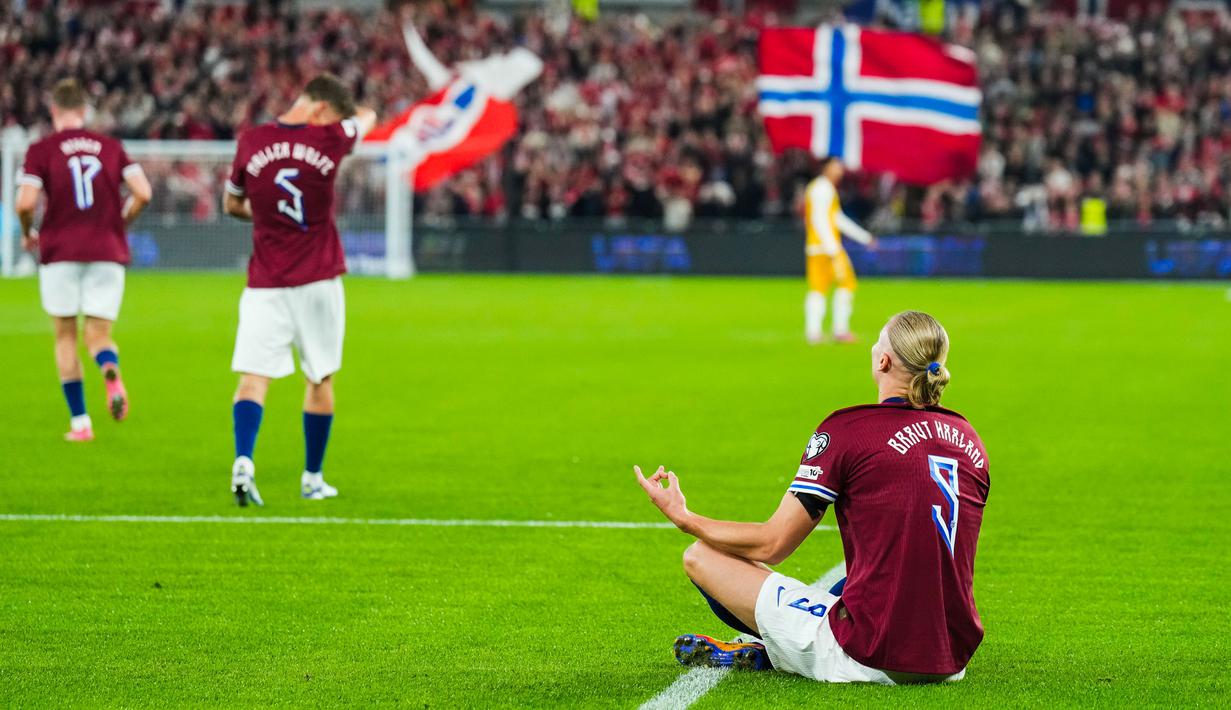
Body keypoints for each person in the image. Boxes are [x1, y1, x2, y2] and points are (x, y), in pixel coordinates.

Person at [635, 311, 990, 684]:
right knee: (862, 577)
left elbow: (773, 545)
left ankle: (776, 651)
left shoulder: (850, 429)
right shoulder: (969, 440)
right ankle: (779, 646)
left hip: (872, 655)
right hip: (951, 658)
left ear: (882, 360)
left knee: (701, 556)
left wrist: (686, 518)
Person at [222, 74, 376, 506]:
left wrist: (266, 214)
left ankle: (244, 462)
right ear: (323, 109)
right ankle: (312, 478)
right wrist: (351, 118)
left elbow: (230, 204)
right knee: (320, 375)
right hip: (318, 279)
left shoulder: (252, 141)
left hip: (265, 281)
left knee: (253, 376)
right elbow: (367, 117)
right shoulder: (330, 137)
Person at [15, 78, 152, 441]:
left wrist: (29, 231)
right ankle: (109, 368)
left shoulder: (41, 150)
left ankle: (80, 423)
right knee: (98, 335)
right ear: (84, 111)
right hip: (106, 250)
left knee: (64, 335)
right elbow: (143, 192)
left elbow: (25, 202)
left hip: (60, 251)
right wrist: (121, 222)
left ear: (54, 111)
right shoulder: (110, 146)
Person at [803, 158, 876, 344]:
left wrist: (864, 238)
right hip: (827, 248)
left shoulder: (822, 188)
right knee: (845, 284)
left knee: (819, 288)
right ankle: (839, 329)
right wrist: (833, 249)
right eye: (836, 166)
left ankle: (815, 332)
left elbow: (836, 218)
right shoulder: (822, 189)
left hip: (817, 247)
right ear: (826, 167)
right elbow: (821, 220)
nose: (840, 170)